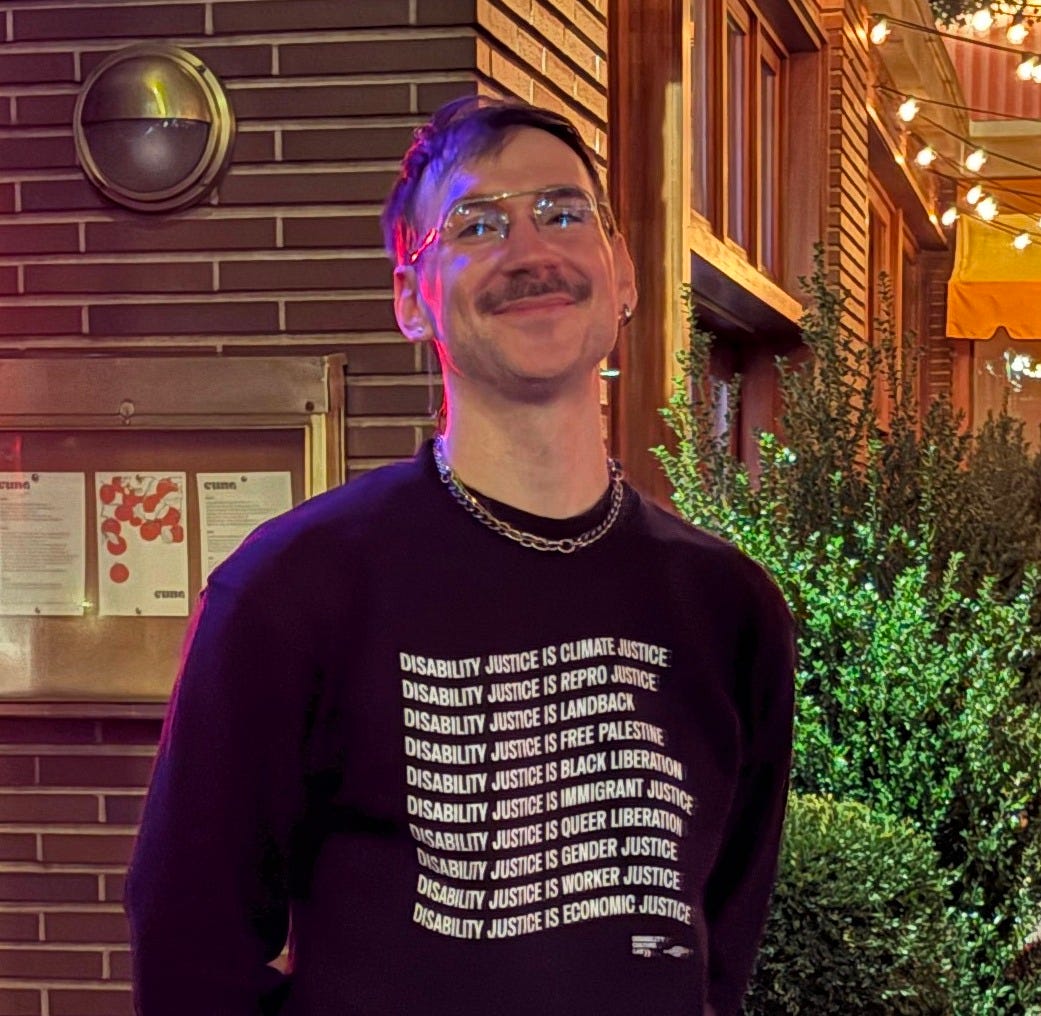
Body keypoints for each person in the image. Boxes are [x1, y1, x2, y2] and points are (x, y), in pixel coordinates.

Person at [125, 96, 795, 1016]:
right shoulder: (294, 589)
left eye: (563, 213)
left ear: (624, 273)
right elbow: (189, 949)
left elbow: (718, 950)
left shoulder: (727, 608)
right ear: (411, 297)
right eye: (477, 224)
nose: (531, 251)